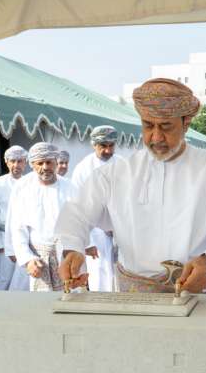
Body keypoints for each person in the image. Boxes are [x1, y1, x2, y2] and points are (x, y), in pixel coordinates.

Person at [56, 78, 206, 294]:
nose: (156, 137)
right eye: (148, 126)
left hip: (197, 297)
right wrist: (72, 249)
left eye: (165, 127)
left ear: (186, 124)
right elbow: (76, 214)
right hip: (134, 300)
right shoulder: (116, 173)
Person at [6, 143, 78, 291]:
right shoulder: (22, 187)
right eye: (40, 163)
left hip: (65, 255)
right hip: (36, 259)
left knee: (69, 300)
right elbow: (17, 228)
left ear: (56, 162)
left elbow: (80, 222)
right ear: (32, 164)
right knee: (39, 304)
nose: (45, 167)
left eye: (49, 162)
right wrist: (27, 259)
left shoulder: (70, 187)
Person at [70, 125, 122, 292]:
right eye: (103, 146)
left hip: (122, 232)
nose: (107, 150)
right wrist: (87, 242)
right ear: (94, 145)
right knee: (100, 278)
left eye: (111, 146)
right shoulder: (83, 169)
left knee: (123, 276)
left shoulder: (123, 164)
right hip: (95, 233)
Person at [0, 145, 30, 290]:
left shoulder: (31, 183)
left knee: (23, 277)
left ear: (25, 162)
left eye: (20, 161)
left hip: (25, 238)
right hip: (4, 237)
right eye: (12, 161)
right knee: (3, 278)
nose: (16, 165)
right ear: (6, 162)